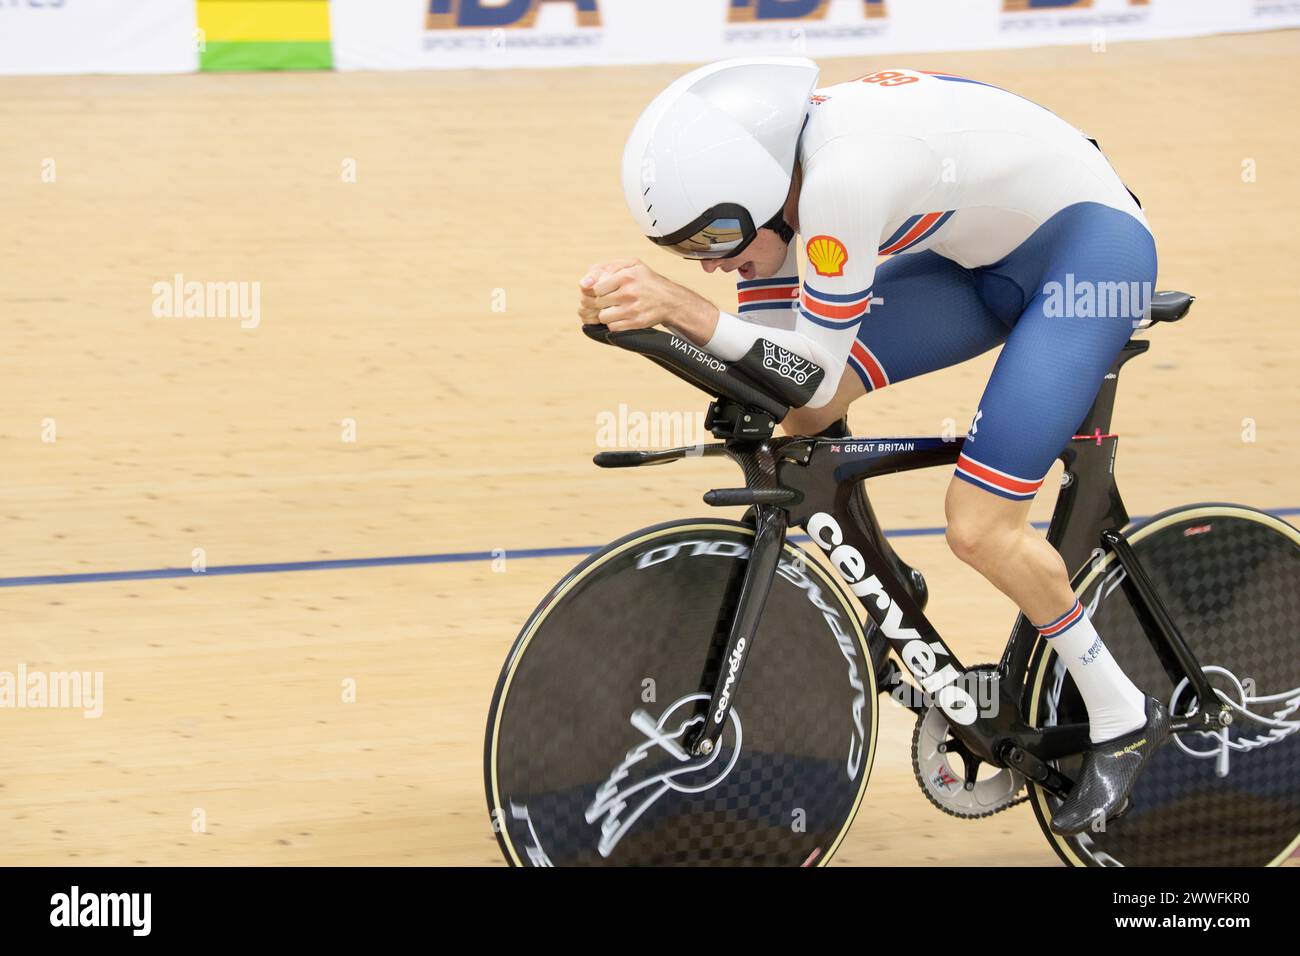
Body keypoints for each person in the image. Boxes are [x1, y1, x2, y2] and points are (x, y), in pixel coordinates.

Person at [578, 56, 1168, 835]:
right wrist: (644, 328)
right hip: (985, 264)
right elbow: (780, 372)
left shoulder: (839, 185)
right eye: (690, 250)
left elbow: (812, 373)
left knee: (978, 526)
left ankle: (1123, 711)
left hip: (1092, 258)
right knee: (803, 423)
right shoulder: (783, 184)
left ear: (764, 191)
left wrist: (683, 308)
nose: (715, 263)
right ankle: (890, 584)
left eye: (718, 236)